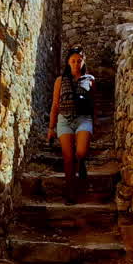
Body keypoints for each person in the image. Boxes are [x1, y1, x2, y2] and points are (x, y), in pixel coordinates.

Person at [46, 47, 96, 204]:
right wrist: (51, 128)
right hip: (64, 120)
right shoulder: (60, 81)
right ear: (68, 62)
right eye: (73, 61)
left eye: (79, 61)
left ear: (83, 62)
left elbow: (93, 103)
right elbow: (55, 104)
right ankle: (70, 192)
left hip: (84, 119)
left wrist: (95, 123)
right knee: (68, 158)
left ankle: (81, 162)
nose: (76, 63)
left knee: (80, 151)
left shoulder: (90, 79)